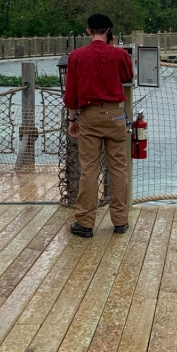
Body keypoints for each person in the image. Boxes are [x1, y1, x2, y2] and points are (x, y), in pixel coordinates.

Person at [63, 13, 134, 238]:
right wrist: (114, 49)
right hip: (115, 115)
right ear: (109, 31)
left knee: (89, 169)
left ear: (88, 30)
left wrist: (72, 120)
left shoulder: (76, 56)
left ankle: (85, 222)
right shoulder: (119, 55)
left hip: (90, 115)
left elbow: (71, 94)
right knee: (119, 168)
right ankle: (120, 220)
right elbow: (128, 76)